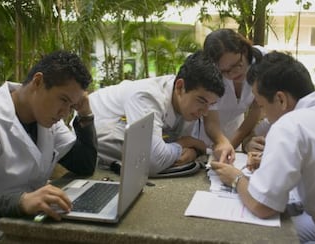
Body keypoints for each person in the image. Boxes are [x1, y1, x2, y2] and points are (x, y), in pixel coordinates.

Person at [210, 51, 315, 244]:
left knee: (257, 235)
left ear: (281, 99)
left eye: (262, 106)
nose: (264, 115)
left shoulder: (290, 124)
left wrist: (236, 178)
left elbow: (262, 206)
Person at [0, 50, 98, 243]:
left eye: (72, 106)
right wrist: (21, 201)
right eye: (63, 100)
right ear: (38, 82)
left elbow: (83, 164)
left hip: (26, 229)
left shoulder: (47, 122)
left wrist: (85, 115)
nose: (65, 112)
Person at [89, 51, 235, 176]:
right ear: (180, 87)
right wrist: (190, 142)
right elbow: (152, 161)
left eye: (211, 104)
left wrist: (193, 151)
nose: (204, 112)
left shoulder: (186, 105)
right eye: (201, 101)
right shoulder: (147, 96)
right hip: (91, 152)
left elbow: (171, 147)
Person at [193, 28, 266, 150]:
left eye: (237, 64)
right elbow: (210, 121)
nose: (233, 74)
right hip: (209, 134)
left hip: (236, 129)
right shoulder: (209, 75)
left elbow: (256, 109)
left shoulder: (262, 60)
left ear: (244, 50)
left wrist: (231, 145)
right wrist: (222, 144)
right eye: (224, 71)